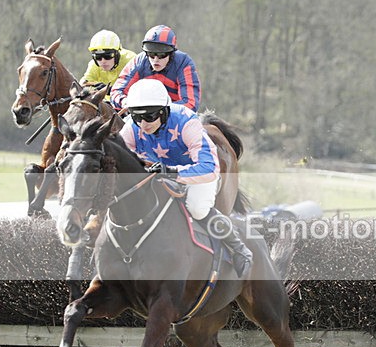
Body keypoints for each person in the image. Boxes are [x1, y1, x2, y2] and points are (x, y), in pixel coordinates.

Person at [118, 79, 251, 277]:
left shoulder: (186, 121)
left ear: (164, 111)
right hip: (157, 176)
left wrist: (172, 172)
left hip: (195, 174)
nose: (143, 124)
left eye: (149, 116)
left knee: (197, 208)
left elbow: (209, 168)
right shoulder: (131, 128)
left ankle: (238, 248)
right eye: (137, 117)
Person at [111, 25, 201, 112]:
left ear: (172, 53)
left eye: (162, 55)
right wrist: (125, 102)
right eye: (151, 54)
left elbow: (190, 103)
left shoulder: (184, 63)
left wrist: (159, 112)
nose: (155, 60)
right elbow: (117, 91)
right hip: (142, 115)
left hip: (175, 116)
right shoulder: (139, 61)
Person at [79, 30, 137, 102]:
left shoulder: (131, 60)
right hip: (106, 104)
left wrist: (111, 90)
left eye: (108, 56)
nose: (103, 61)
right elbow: (83, 84)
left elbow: (138, 88)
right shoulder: (93, 64)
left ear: (117, 53)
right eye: (98, 57)